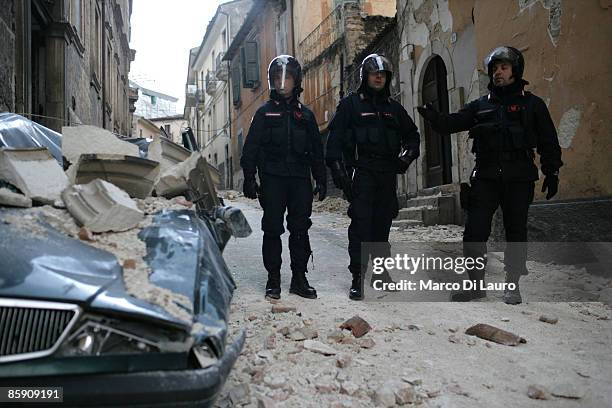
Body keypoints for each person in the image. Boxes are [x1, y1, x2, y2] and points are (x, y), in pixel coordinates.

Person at [417, 46, 563, 304]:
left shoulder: (532, 105)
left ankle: (512, 285)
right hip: (485, 176)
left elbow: (548, 142)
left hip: (519, 176)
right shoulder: (479, 106)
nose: (497, 73)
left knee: (515, 231)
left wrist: (551, 172)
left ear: (515, 71)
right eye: (494, 68)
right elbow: (452, 123)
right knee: (474, 231)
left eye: (504, 67)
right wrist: (434, 117)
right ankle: (475, 285)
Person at [325, 53, 420, 300]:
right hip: (362, 173)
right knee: (360, 227)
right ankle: (357, 277)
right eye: (374, 73)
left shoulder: (394, 109)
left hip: (387, 175)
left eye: (383, 74)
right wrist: (341, 176)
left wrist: (405, 159)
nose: (379, 77)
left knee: (382, 227)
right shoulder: (350, 105)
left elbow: (412, 136)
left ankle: (380, 274)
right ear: (365, 76)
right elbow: (333, 143)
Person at [240, 55, 327, 300]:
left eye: (287, 77)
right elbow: (251, 149)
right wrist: (249, 178)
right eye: (277, 77)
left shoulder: (306, 116)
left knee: (300, 229)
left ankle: (299, 278)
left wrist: (321, 180)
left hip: (300, 179)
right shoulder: (264, 113)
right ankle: (273, 279)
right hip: (273, 179)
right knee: (272, 229)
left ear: (295, 80)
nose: (282, 83)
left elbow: (316, 152)